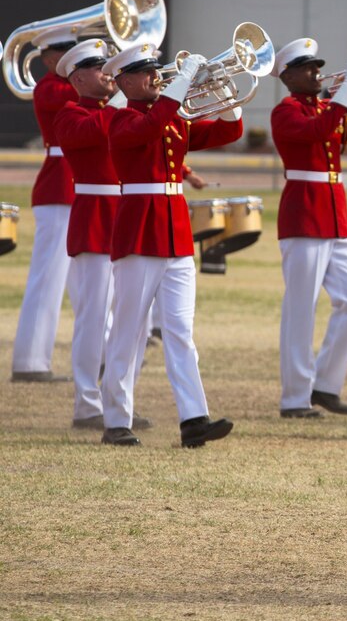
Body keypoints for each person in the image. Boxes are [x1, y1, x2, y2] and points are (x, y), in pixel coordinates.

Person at [99, 43, 242, 446]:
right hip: (140, 229)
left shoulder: (173, 116)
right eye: (145, 73)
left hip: (176, 232)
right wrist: (181, 83)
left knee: (180, 330)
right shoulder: (120, 120)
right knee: (129, 331)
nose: (154, 77)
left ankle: (194, 419)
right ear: (125, 81)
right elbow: (149, 127)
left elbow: (230, 131)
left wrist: (224, 90)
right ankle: (115, 420)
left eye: (154, 71)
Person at [53, 39, 153, 432]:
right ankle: (86, 403)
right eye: (100, 67)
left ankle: (120, 399)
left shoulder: (125, 112)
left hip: (128, 215)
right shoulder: (70, 113)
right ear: (78, 77)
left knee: (135, 319)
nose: (110, 71)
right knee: (93, 318)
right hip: (95, 217)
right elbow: (94, 131)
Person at [270, 38, 347, 419]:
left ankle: (326, 384)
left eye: (317, 66)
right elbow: (316, 132)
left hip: (335, 215)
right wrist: (346, 92)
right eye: (308, 68)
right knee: (301, 308)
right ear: (289, 75)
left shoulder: (327, 107)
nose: (316, 72)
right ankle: (294, 397)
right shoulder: (285, 111)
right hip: (303, 214)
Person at [10, 27, 78, 383]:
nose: (73, 60)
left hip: (80, 187)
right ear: (49, 57)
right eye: (66, 54)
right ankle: (31, 362)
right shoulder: (50, 88)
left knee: (91, 277)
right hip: (58, 187)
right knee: (48, 277)